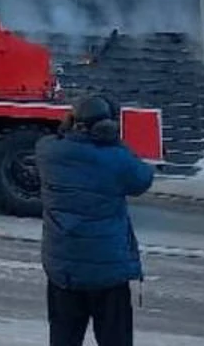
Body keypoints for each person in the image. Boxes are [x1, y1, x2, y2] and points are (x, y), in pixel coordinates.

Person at [36, 94, 155, 346]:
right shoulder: (116, 159)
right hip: (107, 272)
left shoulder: (47, 151)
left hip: (63, 271)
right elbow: (143, 178)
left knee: (63, 339)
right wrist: (116, 143)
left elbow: (56, 136)